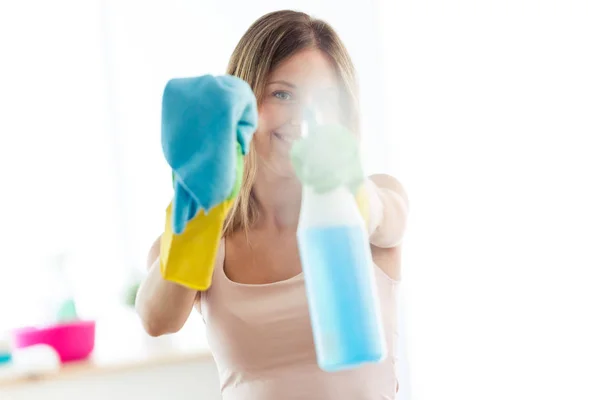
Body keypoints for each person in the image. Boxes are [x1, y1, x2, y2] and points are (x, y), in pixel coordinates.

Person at [136, 9, 409, 400]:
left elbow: (389, 219)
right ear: (244, 106)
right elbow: (156, 319)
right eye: (282, 94)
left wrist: (350, 190)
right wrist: (200, 202)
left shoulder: (372, 202)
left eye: (324, 97)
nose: (302, 116)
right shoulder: (208, 236)